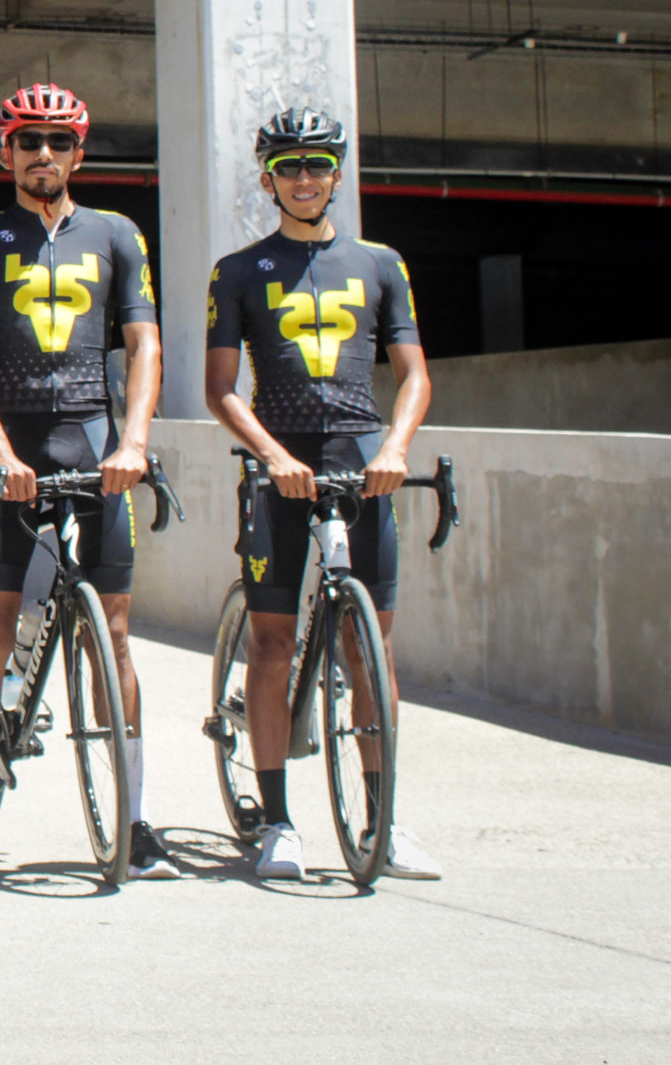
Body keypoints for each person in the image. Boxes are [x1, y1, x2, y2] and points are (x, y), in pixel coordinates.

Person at [0, 84, 180, 882]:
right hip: (14, 452)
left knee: (111, 635)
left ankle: (136, 822)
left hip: (95, 440)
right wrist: (0, 450)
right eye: (28, 140)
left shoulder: (117, 235)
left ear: (81, 151)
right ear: (6, 152)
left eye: (60, 141)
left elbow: (142, 345)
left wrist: (136, 439)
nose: (45, 154)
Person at [205, 106, 441, 883]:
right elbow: (221, 389)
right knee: (273, 645)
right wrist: (272, 454)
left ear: (337, 172)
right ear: (267, 177)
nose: (303, 178)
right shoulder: (238, 271)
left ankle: (385, 819)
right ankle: (276, 822)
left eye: (316, 164)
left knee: (371, 653)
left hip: (363, 455)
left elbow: (414, 374)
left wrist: (398, 447)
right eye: (288, 166)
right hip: (282, 464)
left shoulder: (381, 263)